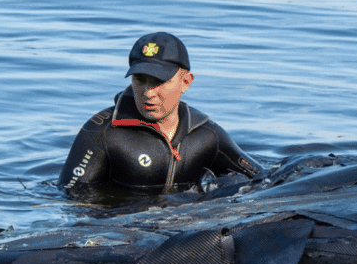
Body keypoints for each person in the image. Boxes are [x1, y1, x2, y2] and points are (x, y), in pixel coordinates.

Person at [57, 32, 260, 195]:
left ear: (186, 82)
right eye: (140, 80)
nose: (148, 93)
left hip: (186, 228)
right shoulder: (102, 132)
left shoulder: (207, 135)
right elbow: (69, 198)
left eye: (158, 81)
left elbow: (263, 178)